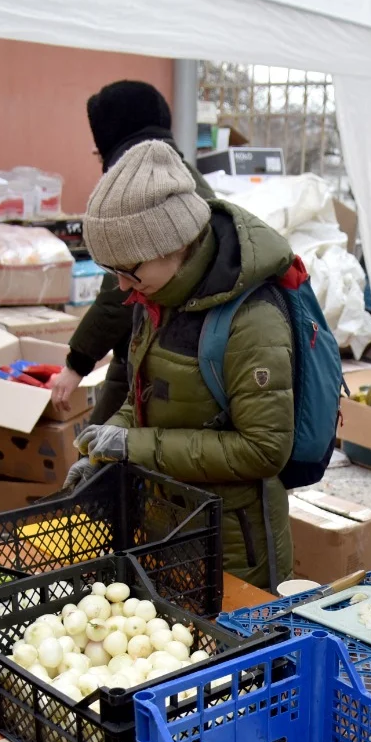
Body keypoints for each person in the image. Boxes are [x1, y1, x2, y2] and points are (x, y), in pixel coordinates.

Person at [66, 139, 297, 588]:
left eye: (128, 270)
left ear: (174, 243)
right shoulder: (159, 296)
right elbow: (145, 398)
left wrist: (132, 447)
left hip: (233, 547)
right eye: (112, 271)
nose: (121, 285)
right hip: (168, 526)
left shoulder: (252, 319)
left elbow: (264, 449)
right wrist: (102, 447)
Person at [51, 80, 216, 422]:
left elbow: (119, 296)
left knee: (104, 459)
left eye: (99, 146)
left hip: (158, 358)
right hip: (158, 354)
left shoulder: (145, 197)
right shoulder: (185, 180)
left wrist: (76, 363)